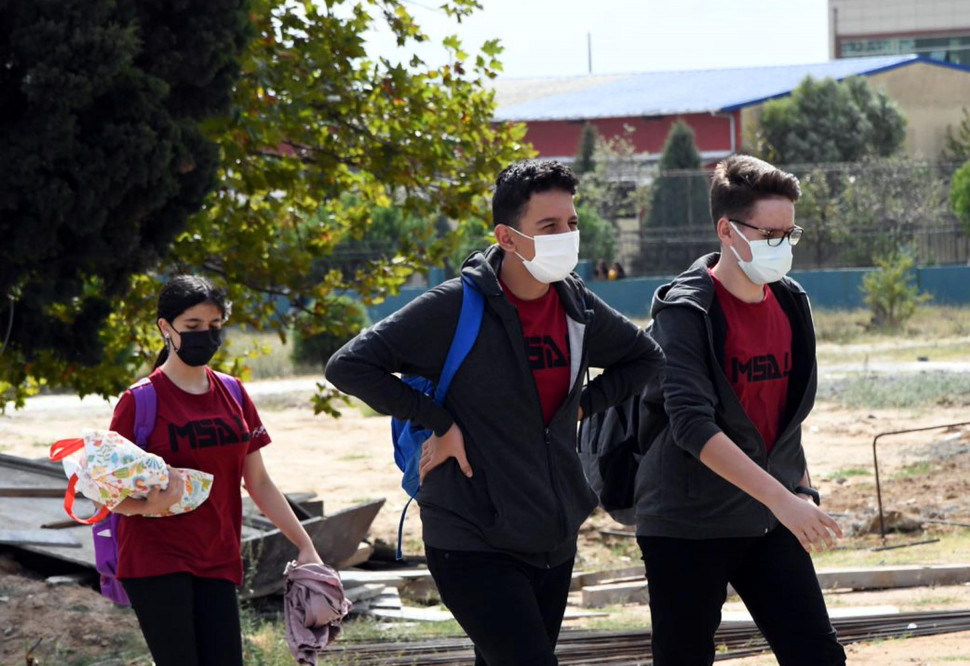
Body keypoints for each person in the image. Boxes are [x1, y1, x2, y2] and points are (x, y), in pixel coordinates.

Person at [326, 159, 665, 666]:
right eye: (548, 226)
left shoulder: (577, 306)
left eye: (571, 224)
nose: (565, 237)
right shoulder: (454, 307)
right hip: (470, 536)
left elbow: (646, 357)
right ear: (507, 237)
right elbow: (348, 366)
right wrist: (442, 422)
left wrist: (581, 407)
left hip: (552, 536)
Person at [634, 155, 846, 665]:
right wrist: (783, 501)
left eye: (789, 234)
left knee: (817, 655)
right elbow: (691, 425)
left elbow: (782, 417)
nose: (782, 246)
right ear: (726, 230)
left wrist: (800, 490)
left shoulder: (793, 301)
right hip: (686, 524)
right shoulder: (686, 311)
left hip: (768, 519)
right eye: (770, 233)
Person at [108, 275, 322, 666]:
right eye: (192, 327)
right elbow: (108, 495)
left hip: (219, 557)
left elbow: (257, 481)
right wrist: (151, 506)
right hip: (156, 560)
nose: (204, 336)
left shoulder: (234, 393)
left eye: (214, 326)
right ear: (165, 328)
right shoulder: (139, 402)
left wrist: (305, 544)